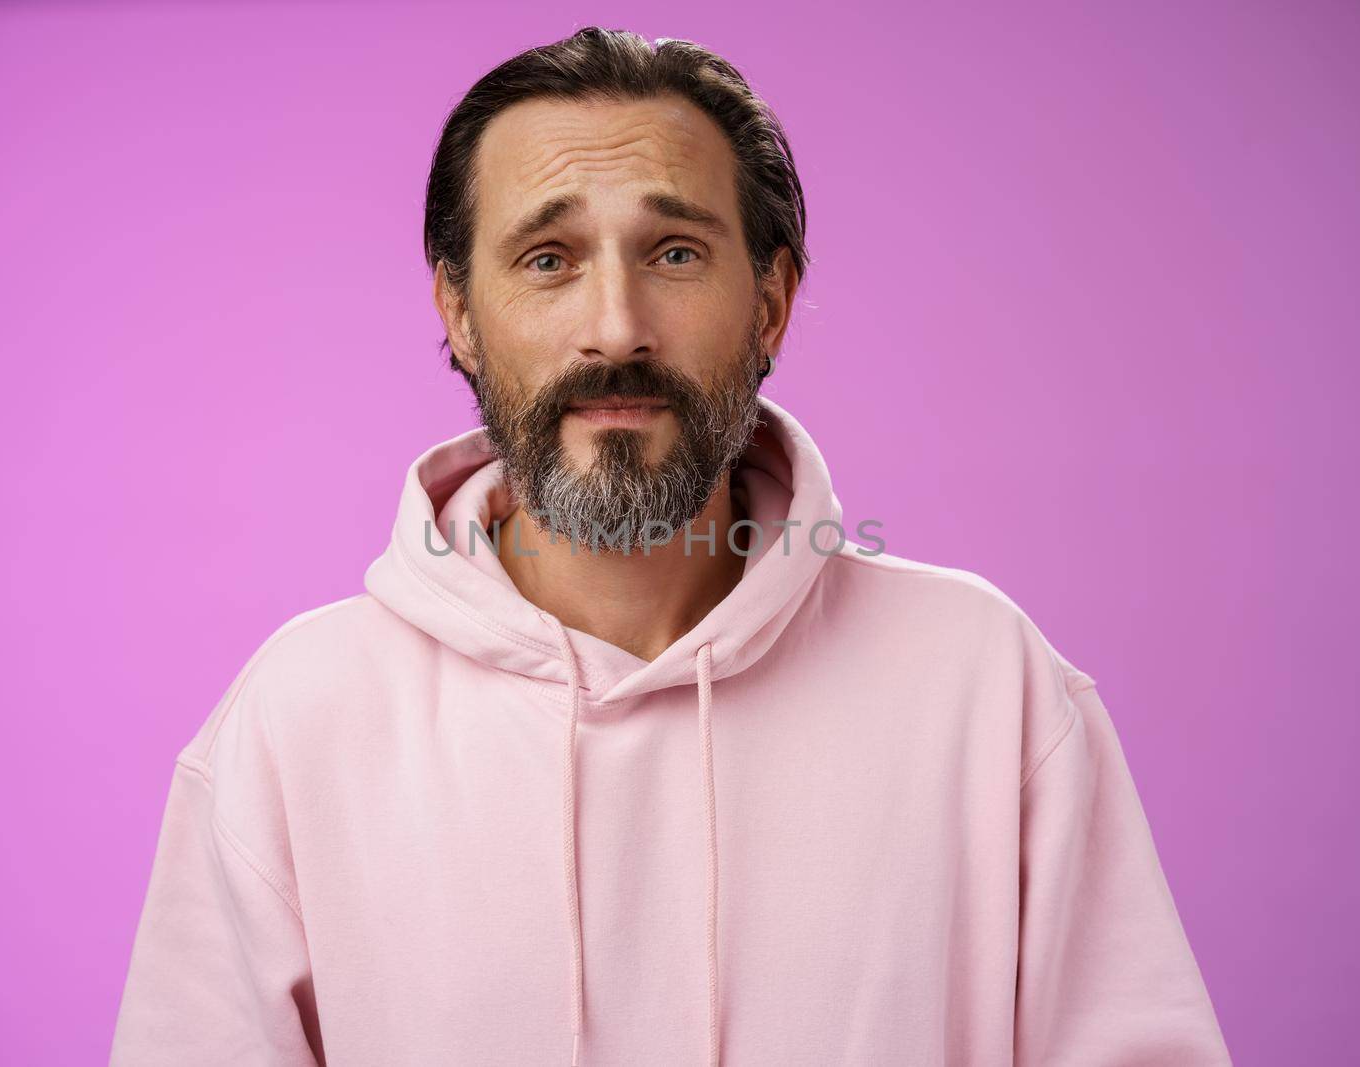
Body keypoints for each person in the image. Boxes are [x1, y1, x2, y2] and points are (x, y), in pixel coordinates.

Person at [110, 27, 1231, 1066]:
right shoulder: (296, 721)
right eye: (548, 258)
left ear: (773, 302)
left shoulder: (989, 686)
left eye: (677, 252)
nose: (617, 326)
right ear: (458, 309)